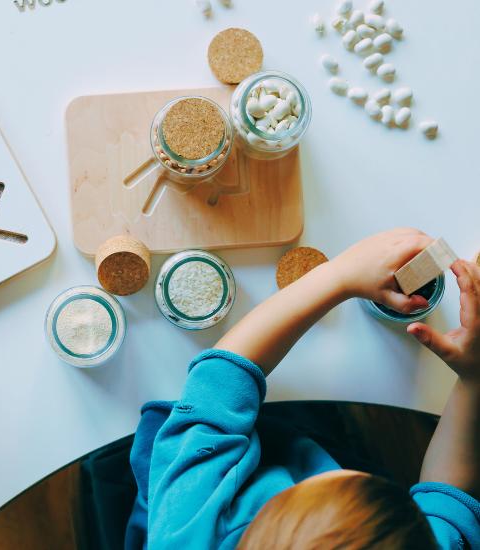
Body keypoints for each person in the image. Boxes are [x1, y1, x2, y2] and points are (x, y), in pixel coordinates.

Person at [125, 228, 480, 549]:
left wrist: (339, 276)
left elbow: (222, 376)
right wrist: (472, 377)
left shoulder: (190, 527)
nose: (342, 472)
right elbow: (447, 506)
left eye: (339, 481)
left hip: (193, 470)